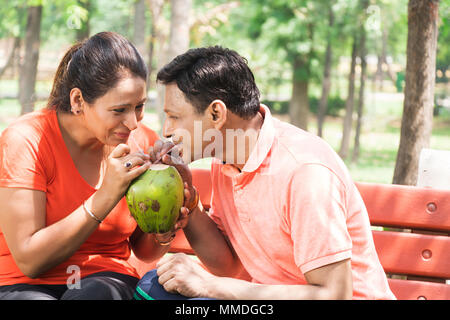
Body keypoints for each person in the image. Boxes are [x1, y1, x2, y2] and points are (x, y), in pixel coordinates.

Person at [135, 46, 396, 300]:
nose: (166, 130)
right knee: (153, 287)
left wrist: (211, 287)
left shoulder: (304, 172)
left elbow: (334, 294)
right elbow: (227, 266)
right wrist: (188, 199)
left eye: (174, 117)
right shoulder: (227, 159)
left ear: (216, 113)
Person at [0, 32, 192, 300]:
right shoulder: (27, 139)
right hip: (24, 283)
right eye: (119, 110)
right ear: (78, 101)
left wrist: (165, 225)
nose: (133, 123)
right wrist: (106, 195)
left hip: (103, 279)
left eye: (139, 106)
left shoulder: (142, 142)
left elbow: (144, 251)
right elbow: (30, 262)